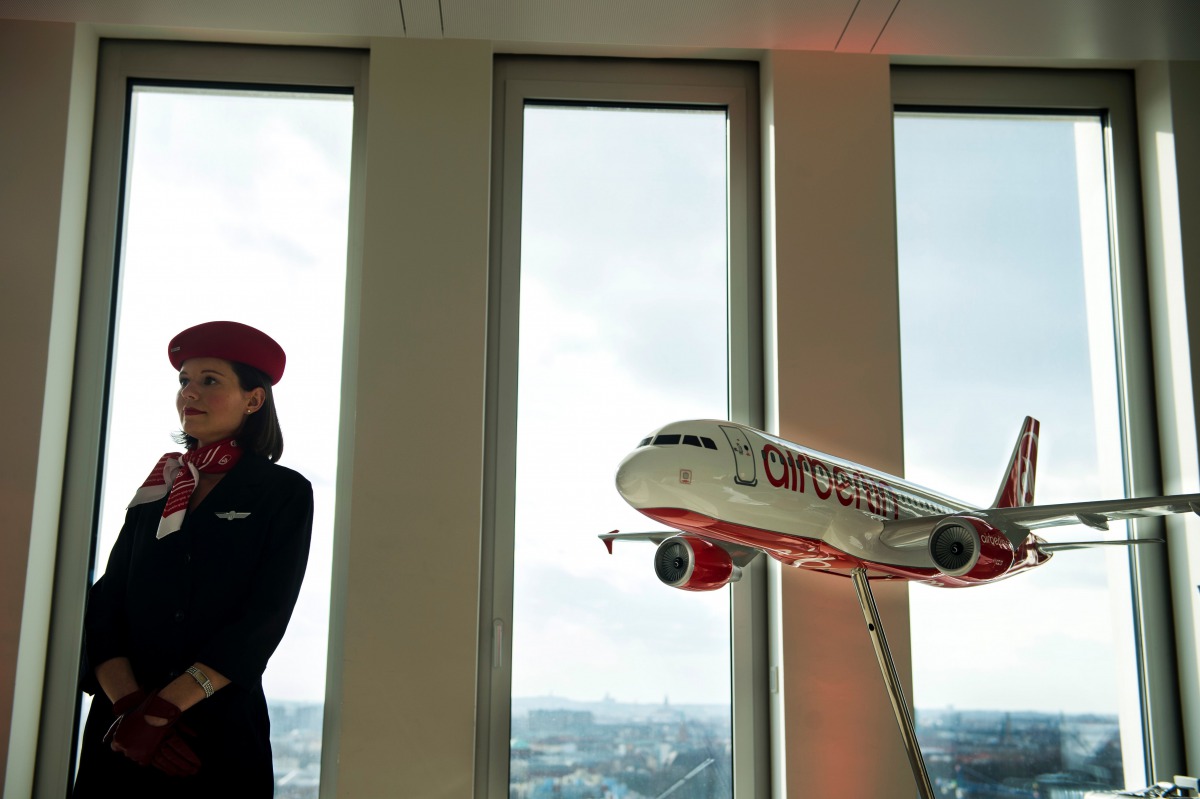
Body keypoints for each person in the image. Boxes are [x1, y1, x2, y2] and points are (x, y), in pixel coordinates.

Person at [73, 320, 314, 797]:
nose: (190, 393)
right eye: (184, 381)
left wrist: (165, 711)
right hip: (122, 731)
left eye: (210, 380)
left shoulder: (282, 492)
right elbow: (106, 604)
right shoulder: (160, 484)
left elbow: (263, 619)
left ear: (254, 399)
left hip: (213, 730)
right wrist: (132, 708)